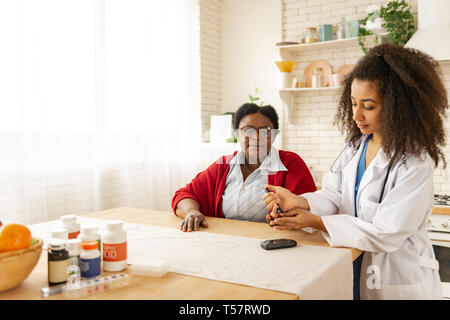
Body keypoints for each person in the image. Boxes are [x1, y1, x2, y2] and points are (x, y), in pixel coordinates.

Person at [263, 43, 448, 300]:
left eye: (368, 106)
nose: (356, 115)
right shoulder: (354, 147)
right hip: (353, 266)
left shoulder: (415, 161)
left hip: (397, 280)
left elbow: (387, 233)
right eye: (353, 104)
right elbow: (334, 194)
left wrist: (316, 222)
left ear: (398, 106)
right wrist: (301, 202)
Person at [172, 103, 316, 232]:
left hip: (272, 244)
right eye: (248, 130)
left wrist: (284, 214)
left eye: (265, 130)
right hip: (227, 241)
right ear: (237, 135)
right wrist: (191, 211)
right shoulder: (224, 165)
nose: (256, 137)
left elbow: (311, 212)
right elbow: (183, 195)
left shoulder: (290, 163)